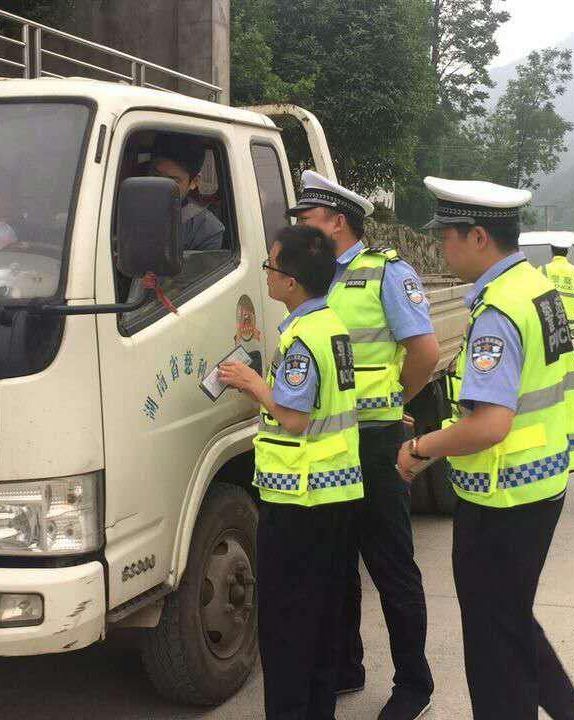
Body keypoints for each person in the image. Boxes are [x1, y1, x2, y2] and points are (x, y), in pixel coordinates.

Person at [396, 177, 574, 720]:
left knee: (493, 648)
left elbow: (489, 425)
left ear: (478, 236)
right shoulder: (535, 287)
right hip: (539, 484)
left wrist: (419, 448)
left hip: (502, 498)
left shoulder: (498, 311)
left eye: (447, 237)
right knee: (510, 622)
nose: (442, 249)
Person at [288, 170, 438, 720]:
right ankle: (346, 666)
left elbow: (423, 352)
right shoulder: (311, 275)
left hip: (374, 442)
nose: (300, 226)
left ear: (336, 222)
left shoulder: (385, 274)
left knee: (391, 566)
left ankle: (414, 684)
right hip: (327, 443)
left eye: (307, 218)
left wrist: (394, 401)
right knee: (336, 564)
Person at [217, 224, 363, 720]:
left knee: (285, 625)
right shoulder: (331, 324)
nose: (266, 274)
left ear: (292, 281)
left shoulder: (301, 340)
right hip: (335, 493)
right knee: (322, 619)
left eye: (270, 266)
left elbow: (295, 418)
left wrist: (253, 383)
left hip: (300, 500)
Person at [149, 132, 225, 251]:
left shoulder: (207, 230)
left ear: (194, 182)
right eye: (156, 175)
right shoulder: (127, 206)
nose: (160, 186)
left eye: (172, 181)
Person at [542, 236, 574, 324]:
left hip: (548, 318)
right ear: (567, 252)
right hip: (568, 318)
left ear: (552, 252)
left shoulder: (543, 269)